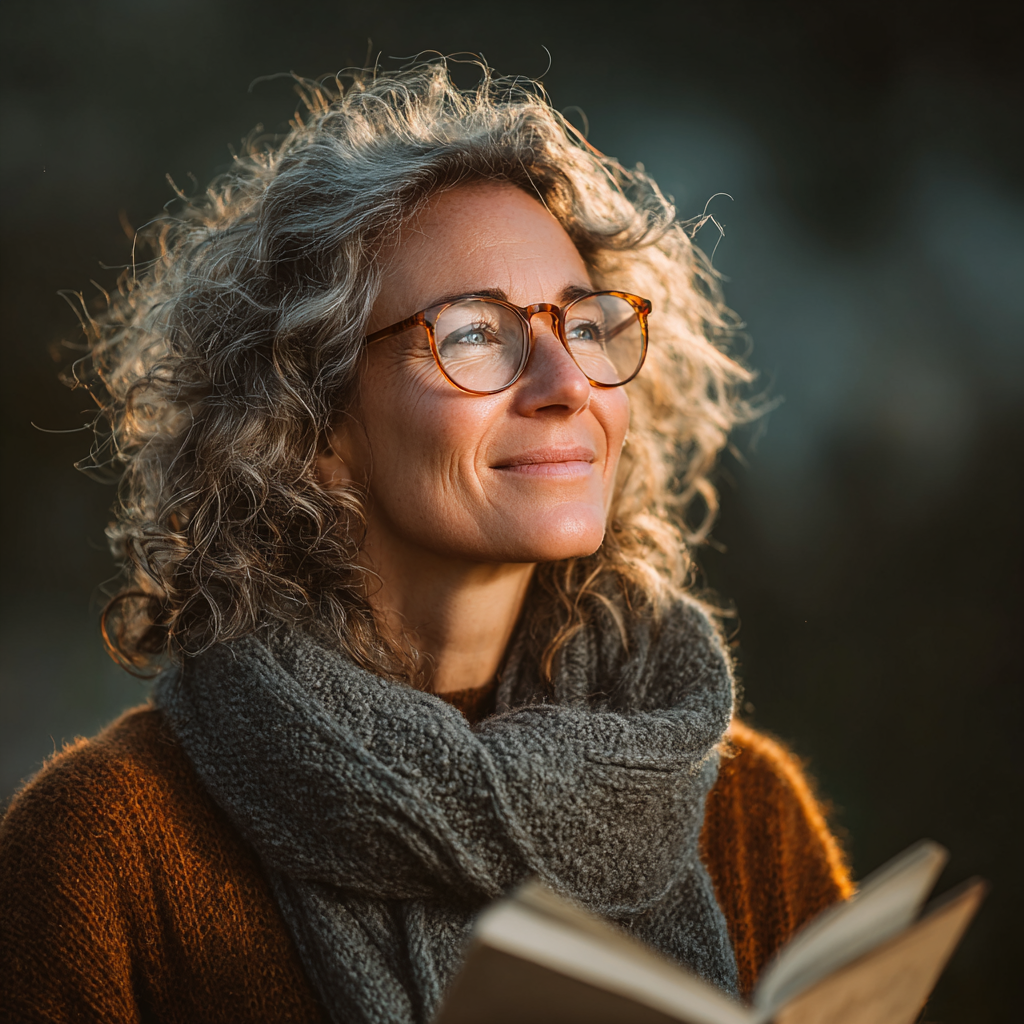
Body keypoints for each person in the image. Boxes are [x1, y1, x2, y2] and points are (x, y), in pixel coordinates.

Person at [0, 62, 851, 1023]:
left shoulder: (747, 818)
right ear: (308, 423)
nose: (565, 381)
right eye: (476, 333)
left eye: (583, 322)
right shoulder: (106, 853)